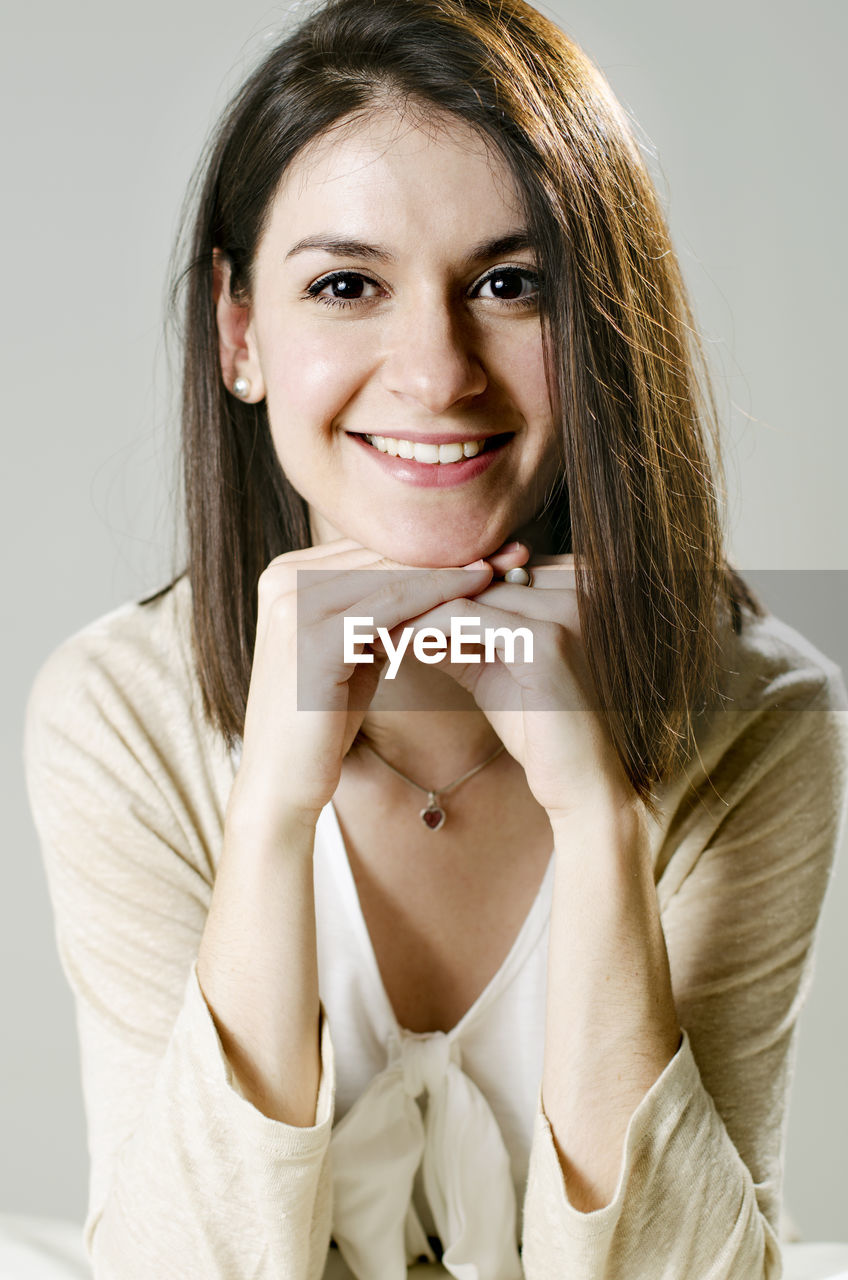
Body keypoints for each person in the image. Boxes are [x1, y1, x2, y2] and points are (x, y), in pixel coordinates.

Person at [22, 0, 848, 1276]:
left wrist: (598, 816)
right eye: (346, 285)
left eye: (510, 285)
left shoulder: (765, 716)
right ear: (239, 331)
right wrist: (273, 805)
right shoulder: (115, 711)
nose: (436, 369)